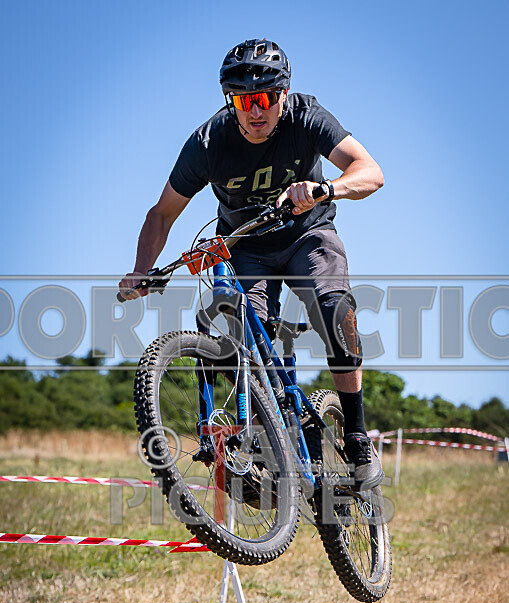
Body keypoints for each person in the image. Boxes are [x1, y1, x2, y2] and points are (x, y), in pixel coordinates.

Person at [119, 38, 384, 489]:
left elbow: (370, 172)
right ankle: (264, 440)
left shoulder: (307, 117)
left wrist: (325, 189)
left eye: (263, 99)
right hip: (246, 245)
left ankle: (357, 436)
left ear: (282, 95)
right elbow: (161, 213)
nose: (253, 111)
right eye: (241, 101)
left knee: (333, 309)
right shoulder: (209, 141)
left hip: (308, 233)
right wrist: (143, 269)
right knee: (243, 341)